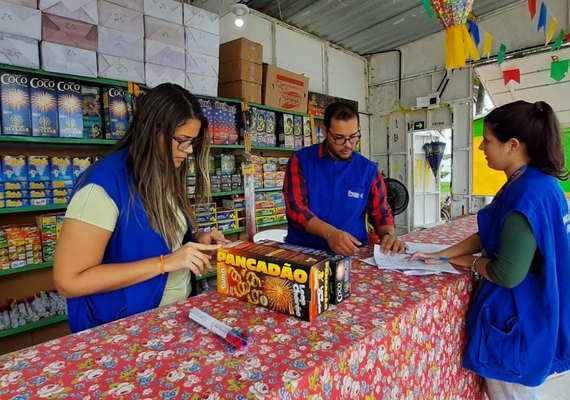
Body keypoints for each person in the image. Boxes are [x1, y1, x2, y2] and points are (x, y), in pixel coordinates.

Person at [410, 100, 570, 398]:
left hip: (519, 318)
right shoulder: (536, 183)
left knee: (513, 392)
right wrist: (443, 253)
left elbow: (506, 272)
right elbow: (492, 231)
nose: (482, 148)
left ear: (512, 145)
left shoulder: (525, 194)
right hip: (536, 311)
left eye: (488, 141)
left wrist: (468, 263)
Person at [54, 83, 229, 333]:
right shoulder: (102, 187)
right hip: (124, 328)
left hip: (175, 315)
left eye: (193, 141)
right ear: (152, 131)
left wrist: (195, 243)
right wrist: (165, 262)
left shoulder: (163, 173)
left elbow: (154, 238)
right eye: (182, 140)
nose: (189, 151)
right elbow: (69, 281)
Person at [284, 101, 404, 256]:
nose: (348, 145)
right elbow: (296, 209)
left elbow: (380, 213)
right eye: (339, 138)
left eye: (354, 137)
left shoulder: (368, 170)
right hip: (305, 253)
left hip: (353, 252)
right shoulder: (301, 161)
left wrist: (388, 235)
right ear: (325, 131)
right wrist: (330, 234)